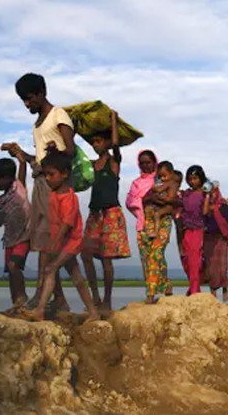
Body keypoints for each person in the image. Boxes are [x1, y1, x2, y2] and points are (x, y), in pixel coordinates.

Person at [4, 73, 73, 312]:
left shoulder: (58, 115)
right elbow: (41, 160)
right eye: (23, 100)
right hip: (41, 183)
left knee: (48, 240)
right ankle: (58, 299)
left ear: (42, 93)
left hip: (56, 187)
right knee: (45, 240)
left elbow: (70, 151)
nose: (26, 104)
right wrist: (21, 154)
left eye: (29, 98)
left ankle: (41, 295)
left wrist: (56, 153)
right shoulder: (37, 125)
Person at [30, 152, 99, 322]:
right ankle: (93, 312)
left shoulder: (69, 198)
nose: (47, 178)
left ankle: (39, 310)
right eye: (46, 174)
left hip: (70, 242)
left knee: (50, 269)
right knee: (77, 278)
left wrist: (54, 243)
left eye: (51, 174)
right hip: (61, 242)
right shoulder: (54, 195)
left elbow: (67, 224)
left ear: (65, 174)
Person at [81, 111, 131, 311]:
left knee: (106, 259)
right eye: (93, 142)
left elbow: (117, 146)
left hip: (110, 213)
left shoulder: (113, 162)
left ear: (107, 143)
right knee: (85, 254)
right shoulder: (93, 165)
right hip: (95, 213)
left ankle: (107, 299)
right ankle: (94, 296)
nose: (95, 145)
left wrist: (112, 121)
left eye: (99, 141)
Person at [0, 155, 30, 306]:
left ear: (10, 177)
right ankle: (15, 301)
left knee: (14, 266)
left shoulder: (18, 188)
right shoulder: (0, 202)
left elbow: (22, 171)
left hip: (24, 236)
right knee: (11, 272)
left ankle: (22, 298)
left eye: (0, 178)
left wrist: (21, 159)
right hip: (10, 239)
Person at [138, 160, 177, 303]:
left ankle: (150, 294)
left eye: (165, 176)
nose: (162, 178)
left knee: (156, 254)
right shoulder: (155, 184)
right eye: (159, 176)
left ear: (172, 174)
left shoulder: (172, 185)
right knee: (149, 257)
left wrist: (156, 197)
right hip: (148, 222)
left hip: (163, 221)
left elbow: (171, 201)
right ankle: (167, 287)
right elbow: (142, 199)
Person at [203, 181, 228, 302]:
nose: (213, 195)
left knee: (222, 266)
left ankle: (225, 291)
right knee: (211, 267)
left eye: (214, 192)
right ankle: (213, 292)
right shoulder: (206, 205)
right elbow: (204, 214)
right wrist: (206, 197)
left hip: (221, 239)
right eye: (211, 192)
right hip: (209, 239)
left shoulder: (224, 206)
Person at [179, 165, 207, 295]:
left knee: (194, 260)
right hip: (186, 230)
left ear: (201, 179)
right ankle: (193, 286)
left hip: (198, 230)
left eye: (195, 178)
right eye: (190, 179)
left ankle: (195, 289)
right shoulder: (186, 194)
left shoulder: (204, 194)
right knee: (186, 260)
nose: (192, 181)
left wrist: (207, 197)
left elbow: (206, 212)